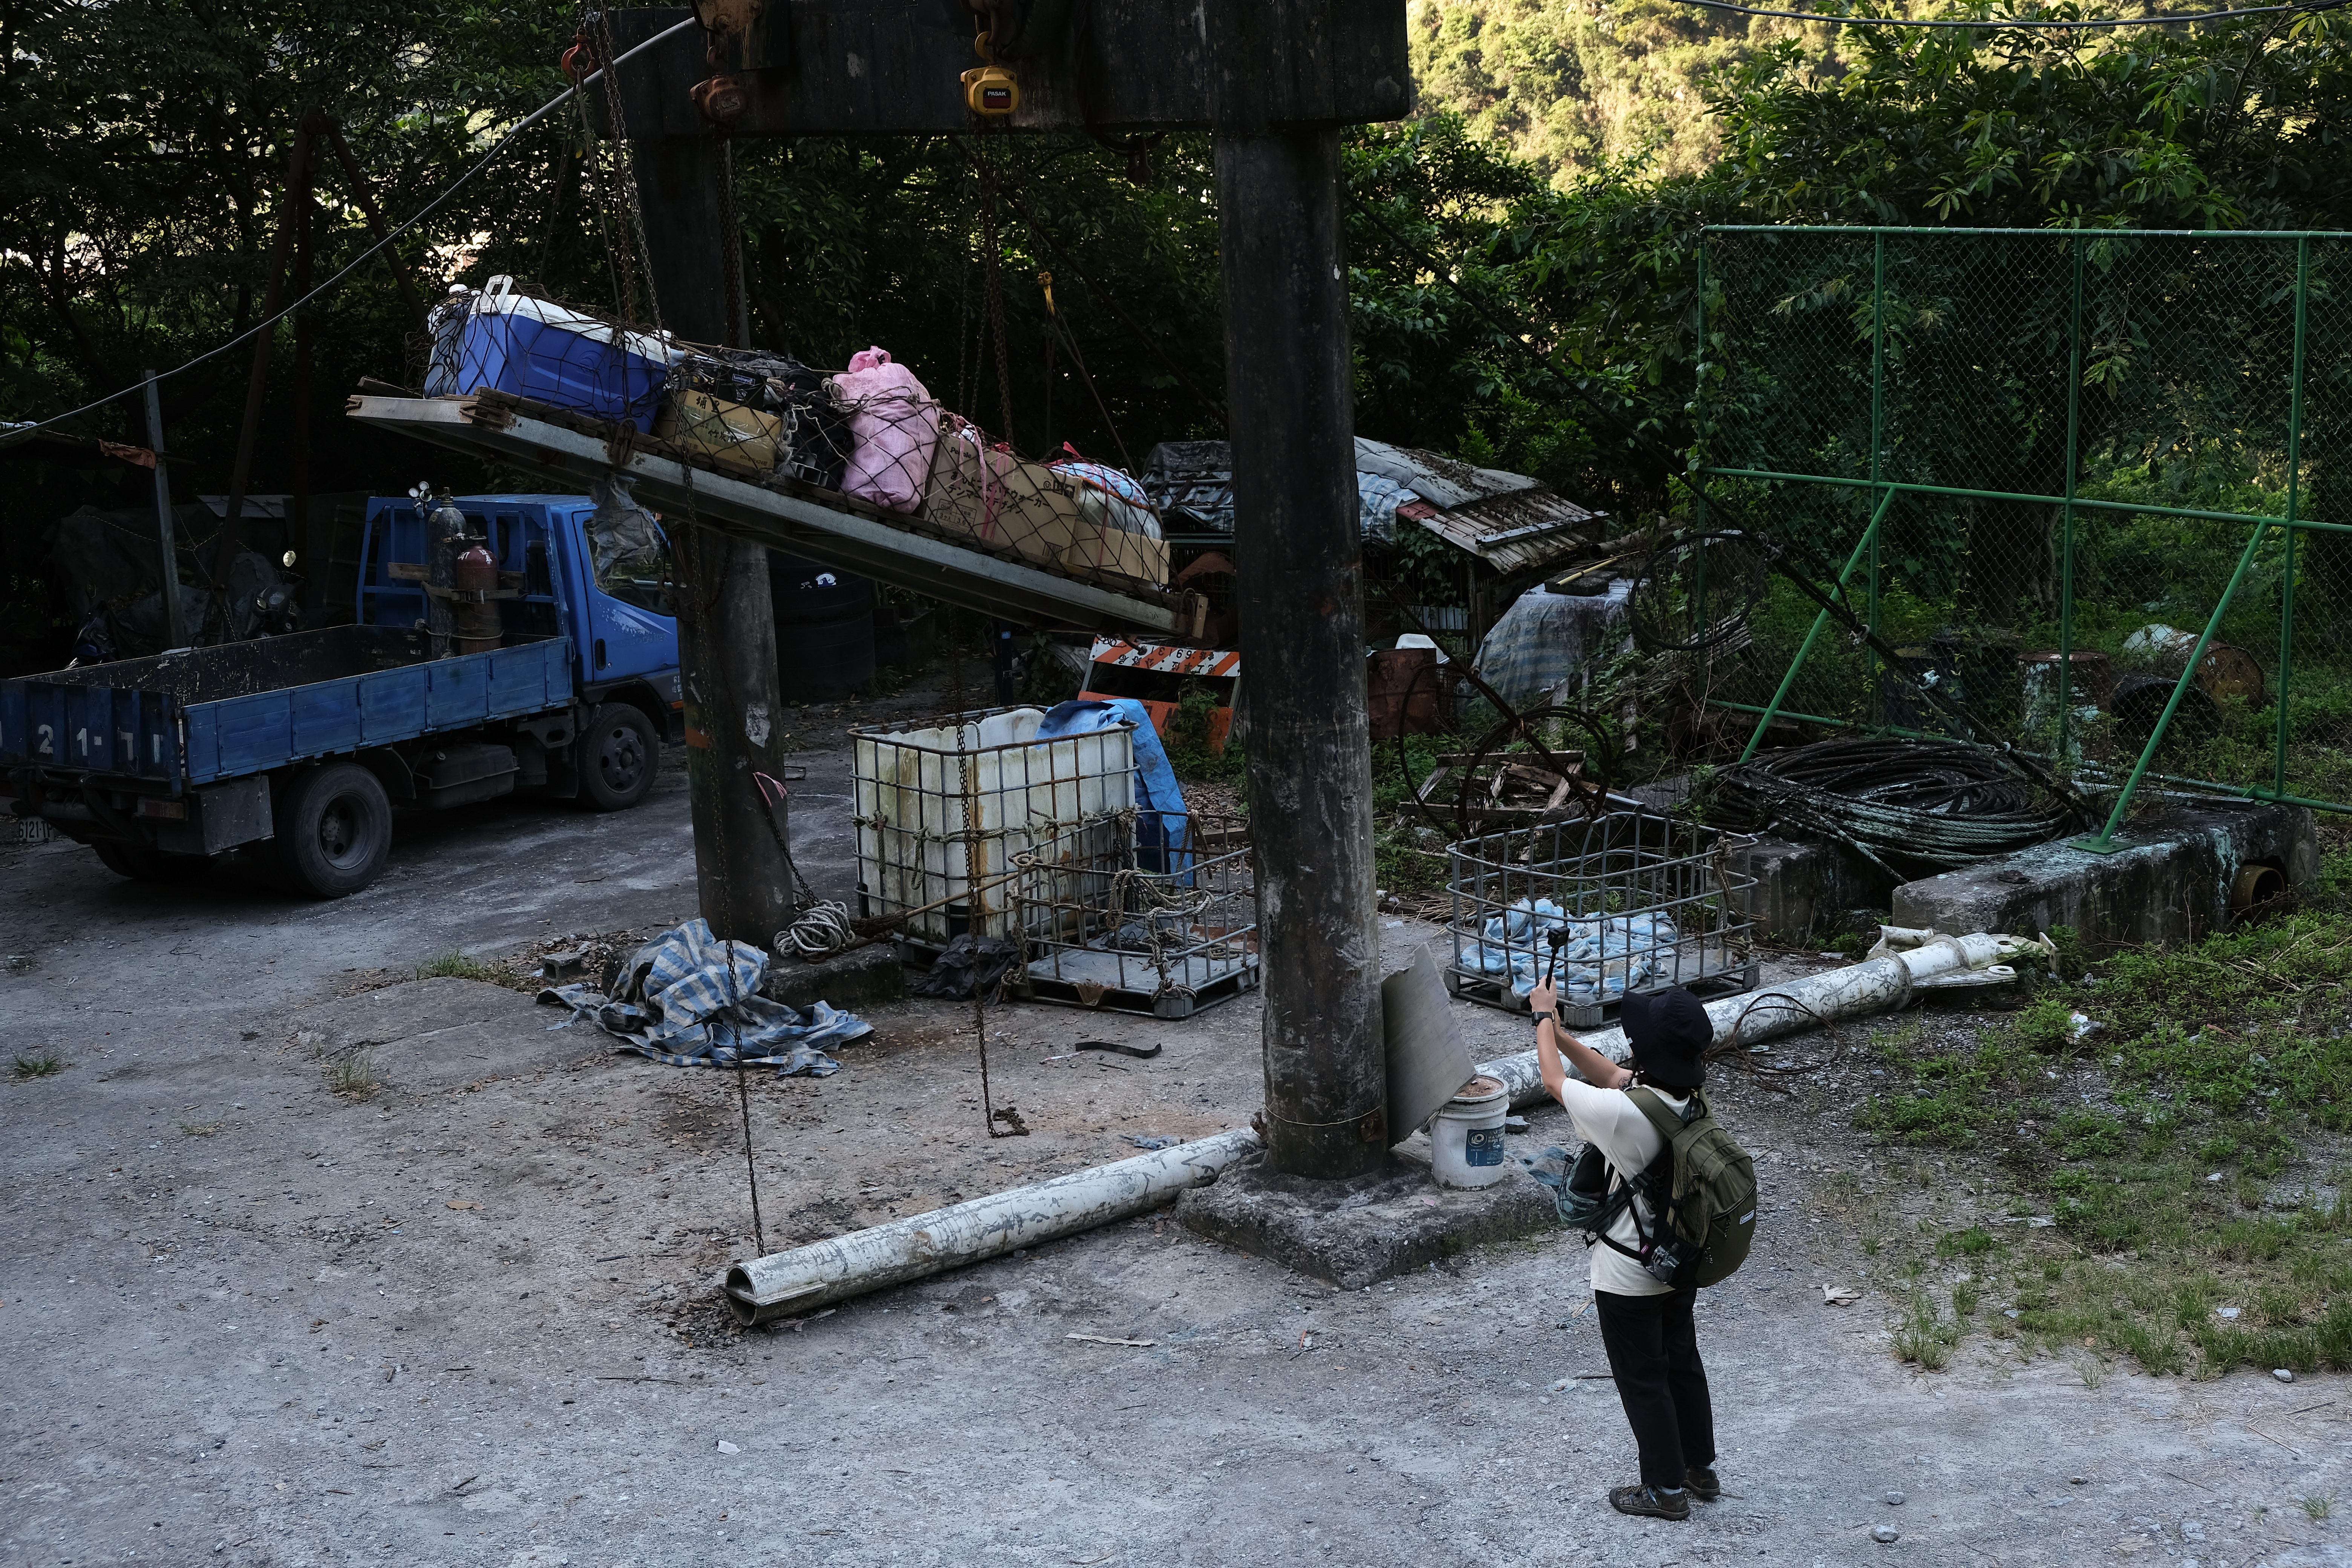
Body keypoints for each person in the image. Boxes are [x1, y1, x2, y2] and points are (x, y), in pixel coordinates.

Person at [1528, 977, 1719, 1522]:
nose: (1631, 1050)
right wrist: (1561, 1033)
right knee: (1681, 1362)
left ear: (1651, 1055)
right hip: (1679, 1261)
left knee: (1643, 1378)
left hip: (1629, 1275)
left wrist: (1542, 1018)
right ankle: (1698, 1467)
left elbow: (1552, 1082)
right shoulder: (1687, 1098)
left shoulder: (1623, 1117)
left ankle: (1663, 1490)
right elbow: (1613, 1075)